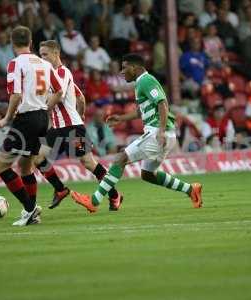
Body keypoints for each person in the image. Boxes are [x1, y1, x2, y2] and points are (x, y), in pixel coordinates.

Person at [71, 54, 202, 213]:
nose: (121, 72)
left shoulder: (146, 81)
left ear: (135, 67)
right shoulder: (140, 83)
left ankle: (94, 201)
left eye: (125, 67)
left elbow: (162, 103)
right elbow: (141, 112)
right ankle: (191, 190)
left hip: (158, 133)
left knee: (120, 158)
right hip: (164, 134)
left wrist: (160, 131)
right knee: (148, 174)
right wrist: (121, 118)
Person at [35, 40, 122, 210]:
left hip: (72, 128)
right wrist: (81, 112)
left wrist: (40, 108)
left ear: (56, 53)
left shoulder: (62, 72)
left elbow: (58, 96)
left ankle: (114, 194)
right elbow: (80, 97)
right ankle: (60, 189)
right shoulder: (51, 75)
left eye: (45, 54)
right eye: (40, 54)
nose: (42, 58)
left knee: (88, 162)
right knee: (37, 157)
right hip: (58, 128)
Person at [0, 26, 63, 226]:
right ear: (31, 42)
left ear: (12, 43)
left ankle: (30, 209)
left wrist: (7, 118)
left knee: (1, 165)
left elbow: (15, 94)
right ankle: (32, 214)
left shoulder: (15, 64)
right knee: (25, 167)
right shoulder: (44, 63)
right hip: (42, 118)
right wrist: (44, 109)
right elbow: (58, 91)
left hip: (26, 119)